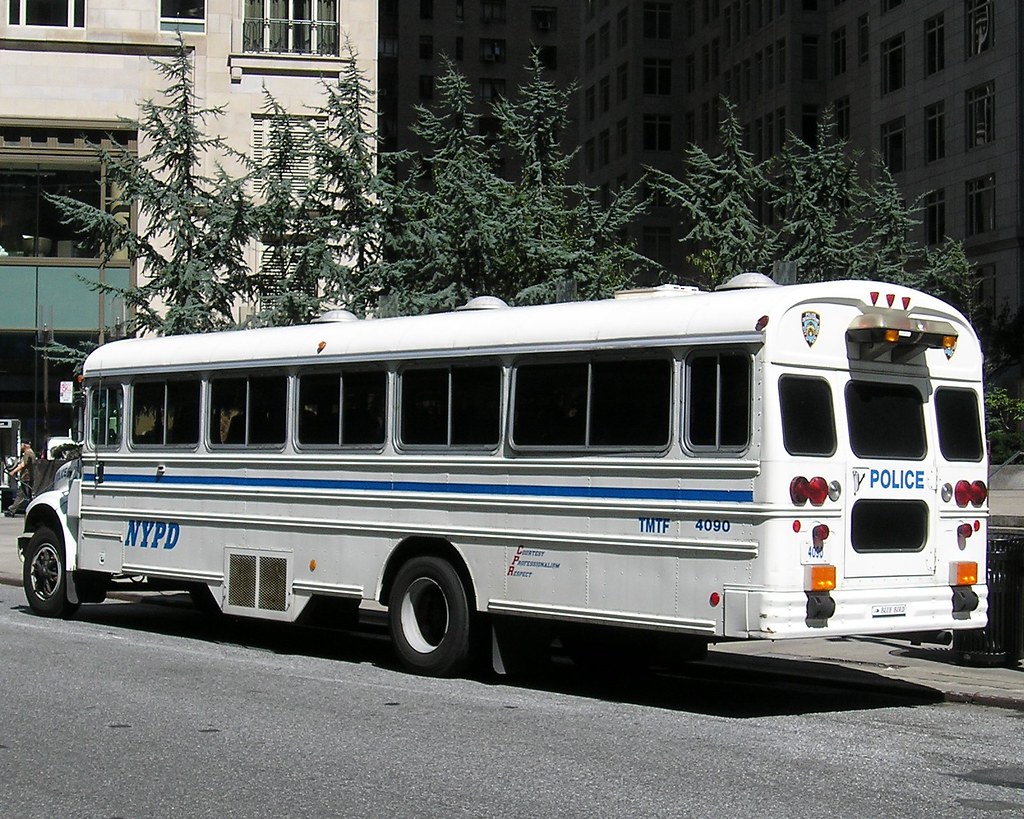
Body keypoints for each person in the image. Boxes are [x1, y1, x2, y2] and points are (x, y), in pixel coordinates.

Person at [5, 442, 35, 517]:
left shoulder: (27, 453)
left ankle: (12, 510)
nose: (21, 446)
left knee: (21, 494)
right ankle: (32, 510)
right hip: (28, 476)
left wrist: (13, 471)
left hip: (26, 477)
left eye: (22, 444)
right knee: (27, 495)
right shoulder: (31, 452)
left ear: (25, 445)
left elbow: (23, 464)